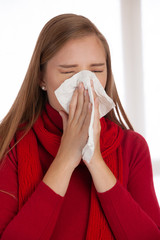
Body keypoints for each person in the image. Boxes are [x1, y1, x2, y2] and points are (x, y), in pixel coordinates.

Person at [0, 13, 160, 240]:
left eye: (96, 71)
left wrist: (95, 160)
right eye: (68, 72)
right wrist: (66, 158)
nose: (85, 83)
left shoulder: (132, 147)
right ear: (41, 78)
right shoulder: (10, 144)